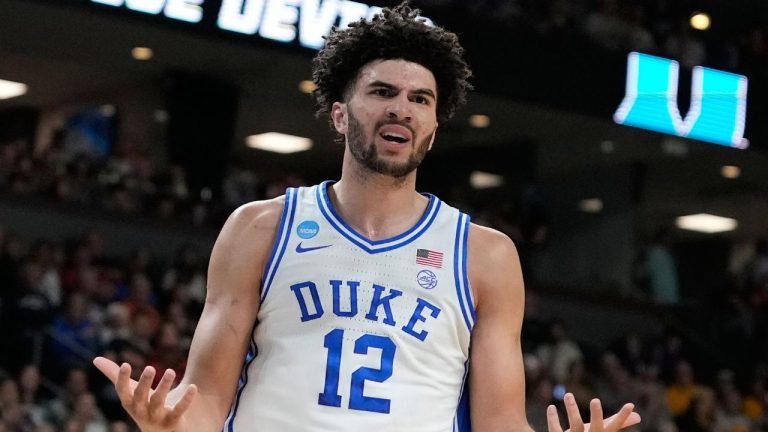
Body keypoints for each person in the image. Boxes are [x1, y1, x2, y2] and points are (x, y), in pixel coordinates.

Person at [93, 3, 642, 431]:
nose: (401, 107)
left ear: (432, 128)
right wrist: (167, 423)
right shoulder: (260, 228)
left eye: (420, 99)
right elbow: (207, 399)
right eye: (382, 92)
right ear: (339, 113)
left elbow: (498, 421)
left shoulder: (485, 255)